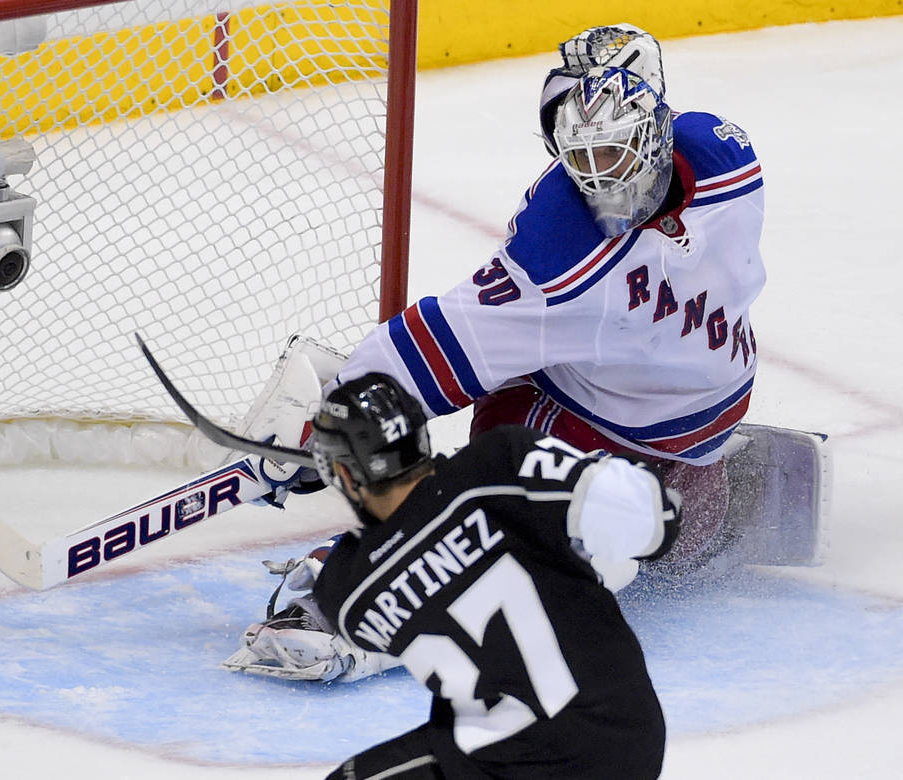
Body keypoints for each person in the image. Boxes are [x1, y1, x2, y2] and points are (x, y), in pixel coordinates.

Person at [228, 25, 766, 682]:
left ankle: (694, 486)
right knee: (534, 541)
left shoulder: (725, 162)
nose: (601, 179)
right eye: (582, 157)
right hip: (570, 414)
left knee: (677, 543)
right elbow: (441, 343)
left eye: (616, 151)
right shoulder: (557, 256)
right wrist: (338, 419)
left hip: (697, 410)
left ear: (658, 124)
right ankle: (360, 590)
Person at [305, 373, 679, 779]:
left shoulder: (347, 589)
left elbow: (397, 551)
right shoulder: (500, 463)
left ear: (343, 474)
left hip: (505, 763)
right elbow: (658, 523)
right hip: (628, 743)